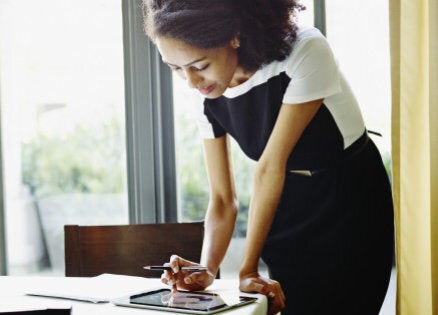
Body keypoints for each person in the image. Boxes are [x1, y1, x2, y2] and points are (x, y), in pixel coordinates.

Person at [141, 1, 395, 314]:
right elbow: (222, 199)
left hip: (348, 202)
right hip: (285, 207)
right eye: (176, 68)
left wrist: (247, 270)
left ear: (234, 36)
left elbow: (269, 167)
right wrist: (205, 269)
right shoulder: (205, 94)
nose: (191, 81)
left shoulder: (305, 52)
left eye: (199, 65)